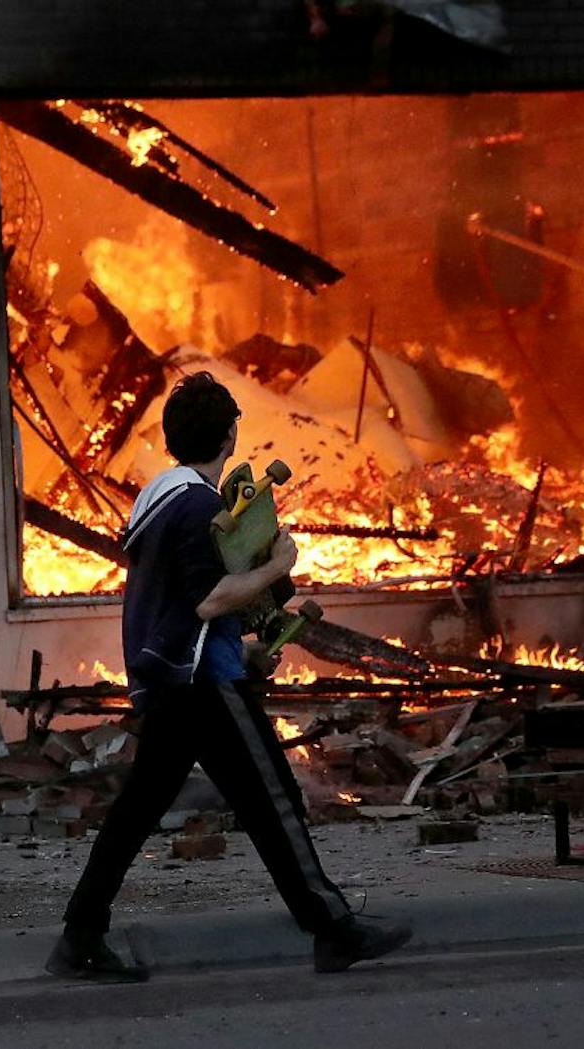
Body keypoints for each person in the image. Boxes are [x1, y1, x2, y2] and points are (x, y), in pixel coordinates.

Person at [47, 370, 411, 981]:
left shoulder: (158, 498)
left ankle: (81, 934)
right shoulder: (199, 506)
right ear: (231, 434)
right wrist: (279, 566)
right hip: (202, 684)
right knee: (275, 800)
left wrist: (244, 652)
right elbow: (209, 601)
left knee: (138, 810)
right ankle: (333, 928)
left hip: (170, 677)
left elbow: (179, 605)